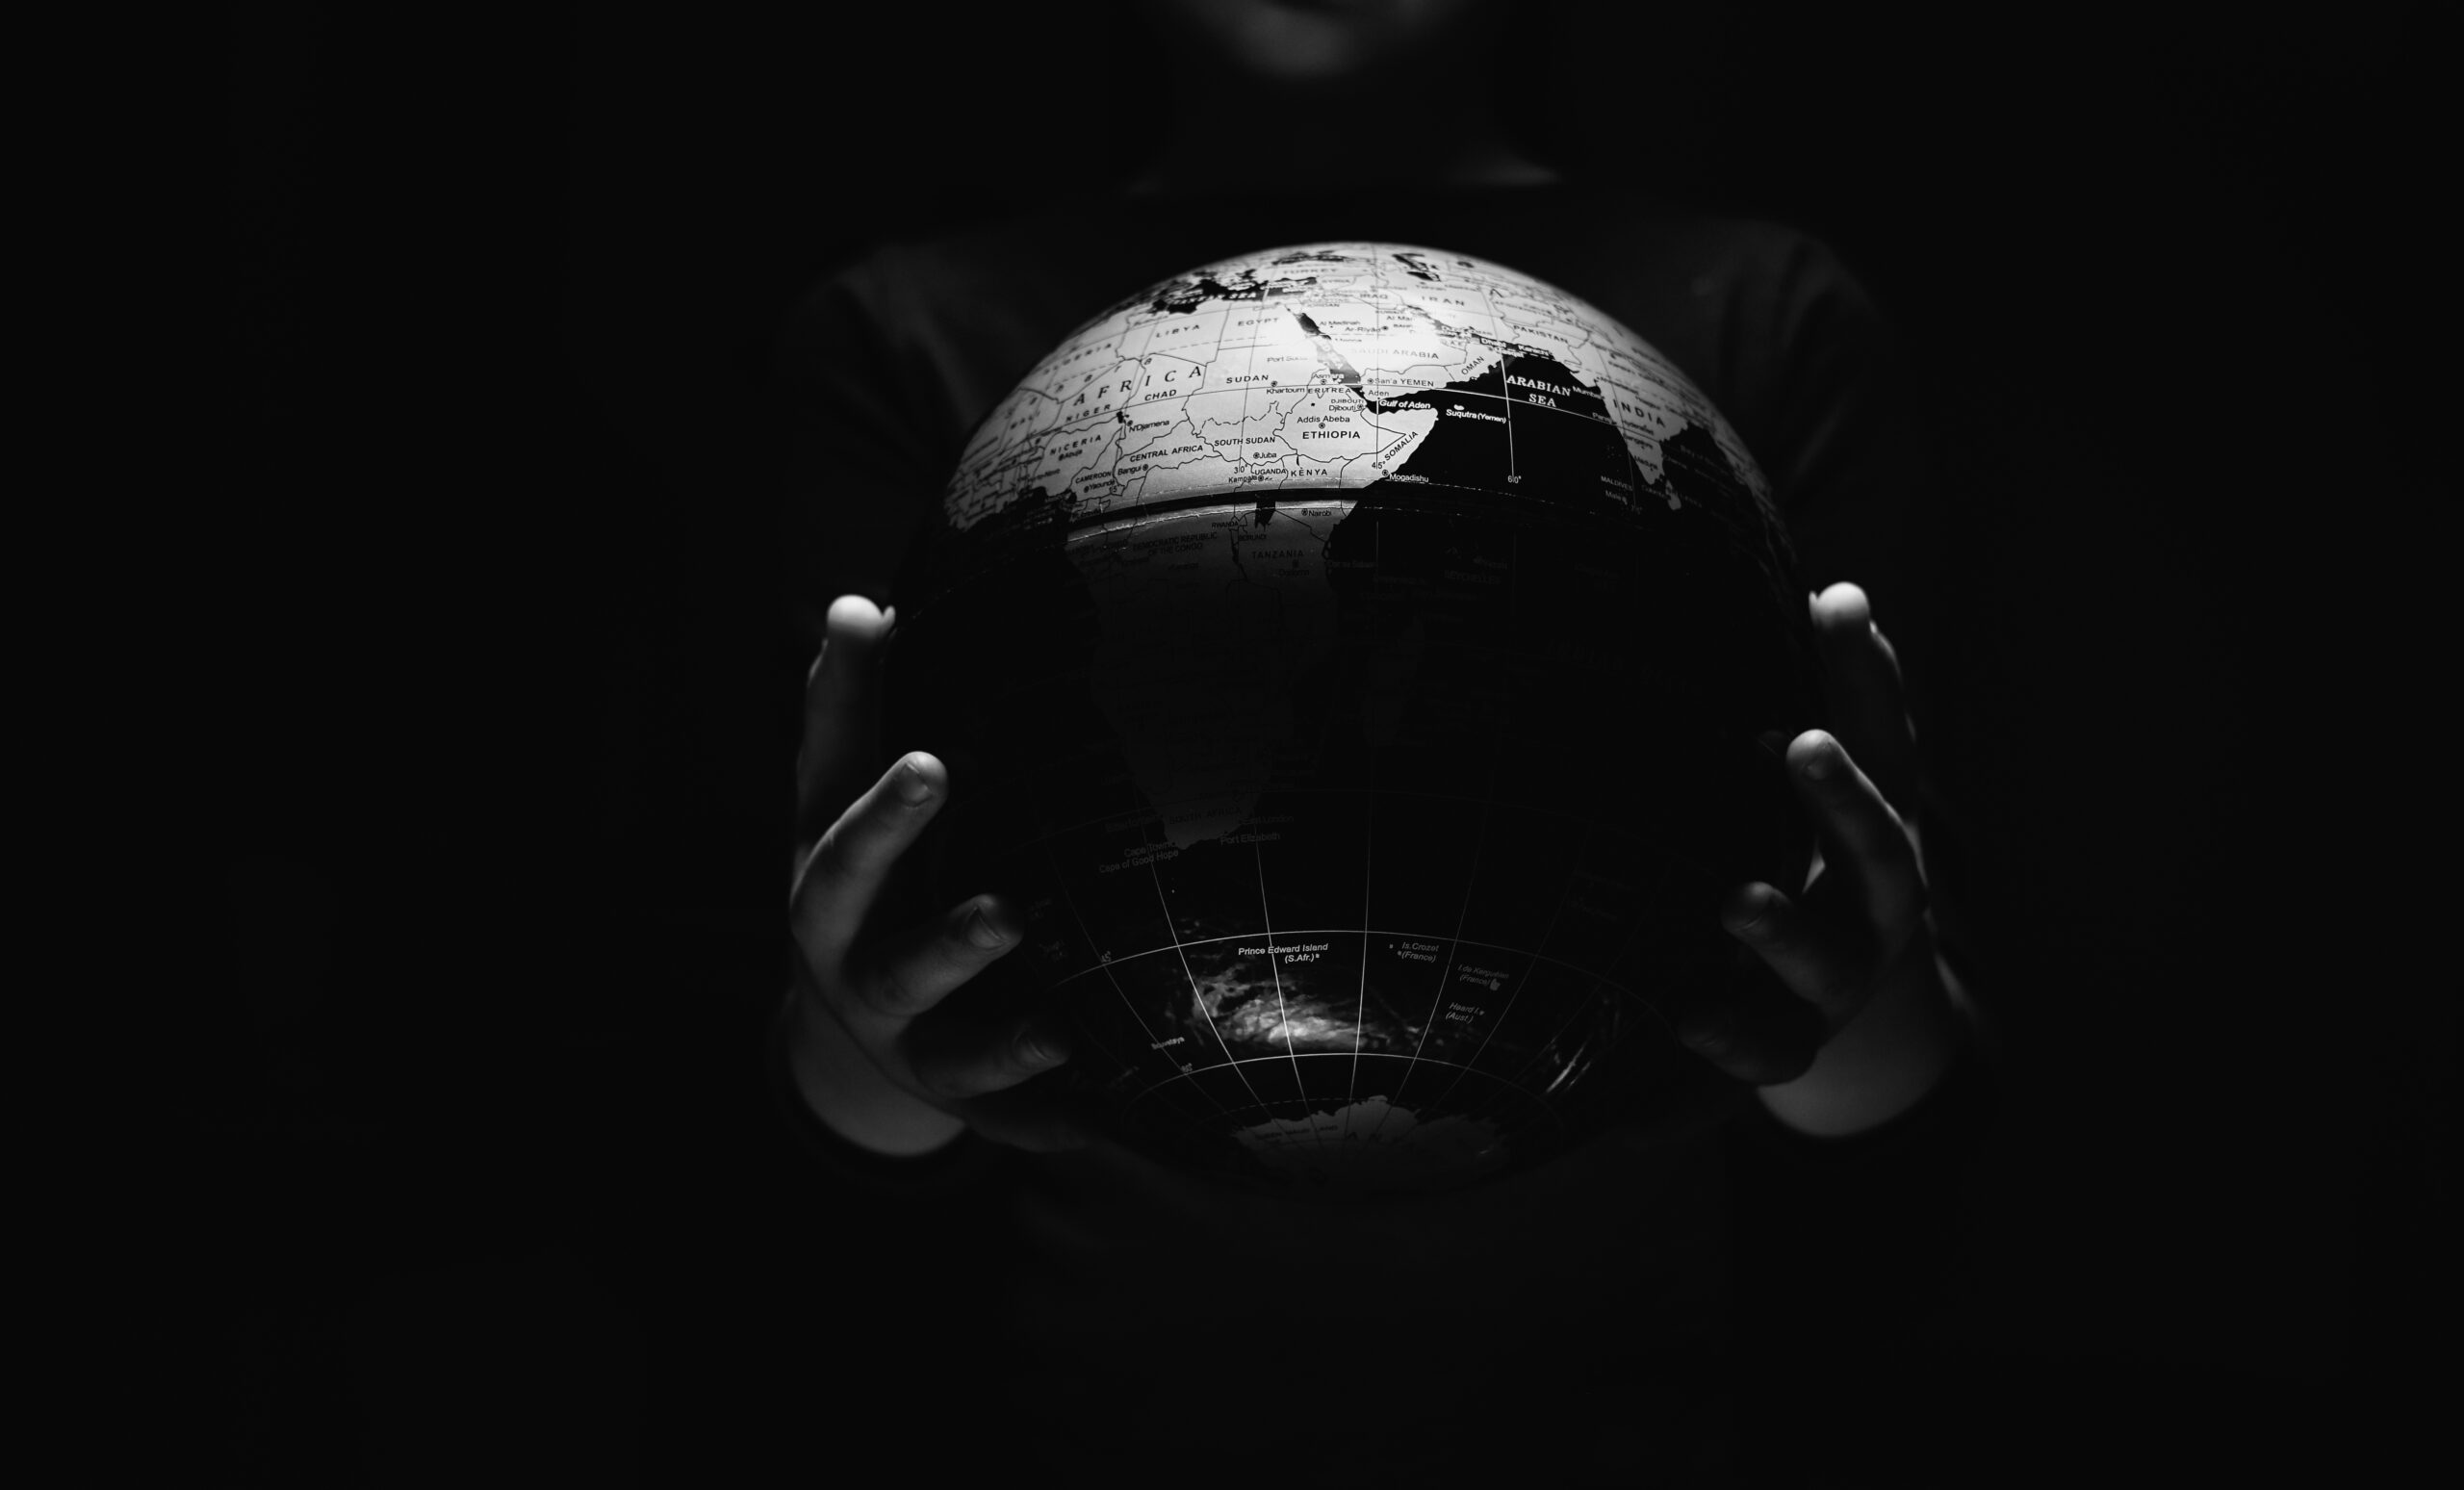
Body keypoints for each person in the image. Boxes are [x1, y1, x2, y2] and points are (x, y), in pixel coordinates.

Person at [766, 0, 1999, 1478]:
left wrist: (1852, 1002)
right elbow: (807, 1067)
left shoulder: (1772, 313)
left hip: (1640, 1421)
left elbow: (1905, 1057)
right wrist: (870, 1053)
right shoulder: (895, 336)